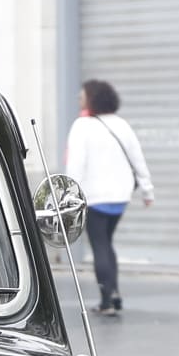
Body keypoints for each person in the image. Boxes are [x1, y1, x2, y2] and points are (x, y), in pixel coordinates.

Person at [63, 77, 153, 318]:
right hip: (120, 197)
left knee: (100, 245)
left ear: (92, 98)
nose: (79, 99)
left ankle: (107, 300)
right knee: (107, 243)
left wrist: (71, 194)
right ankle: (113, 292)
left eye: (82, 95)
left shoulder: (82, 126)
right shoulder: (122, 124)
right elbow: (137, 158)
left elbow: (75, 165)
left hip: (94, 197)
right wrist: (147, 190)